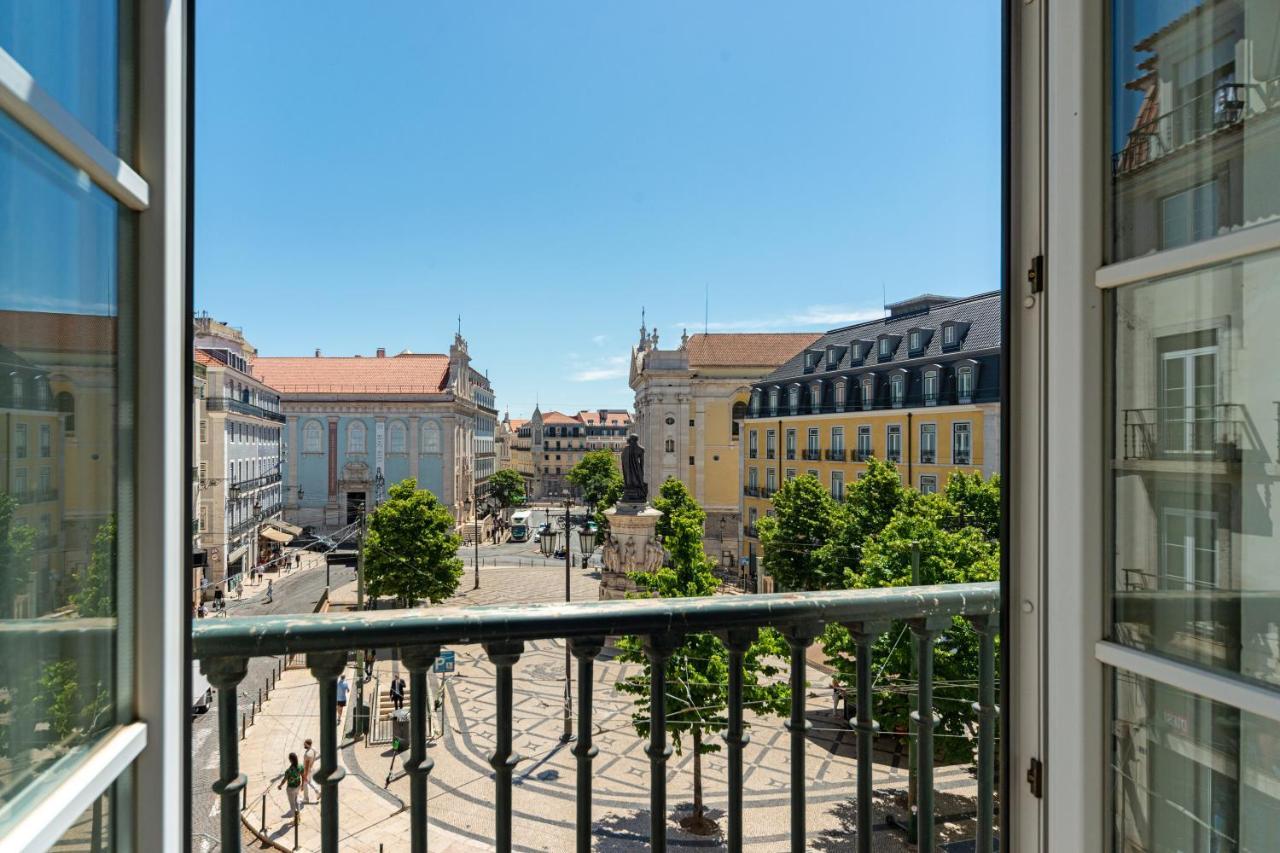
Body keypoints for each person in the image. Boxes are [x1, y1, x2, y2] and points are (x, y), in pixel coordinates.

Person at [277, 753, 303, 817]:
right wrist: (302, 785)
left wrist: (280, 786)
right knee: (296, 800)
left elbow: (284, 780)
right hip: (298, 786)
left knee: (292, 804)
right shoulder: (300, 766)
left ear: (290, 760)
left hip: (291, 788)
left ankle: (296, 819)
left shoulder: (288, 771)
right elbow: (303, 776)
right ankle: (298, 814)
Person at [301, 739, 320, 803]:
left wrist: (305, 775)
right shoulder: (314, 749)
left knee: (305, 783)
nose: (304, 745)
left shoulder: (307, 754)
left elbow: (306, 766)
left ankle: (306, 799)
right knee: (310, 781)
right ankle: (318, 791)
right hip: (311, 768)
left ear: (308, 744)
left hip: (307, 770)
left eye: (305, 744)